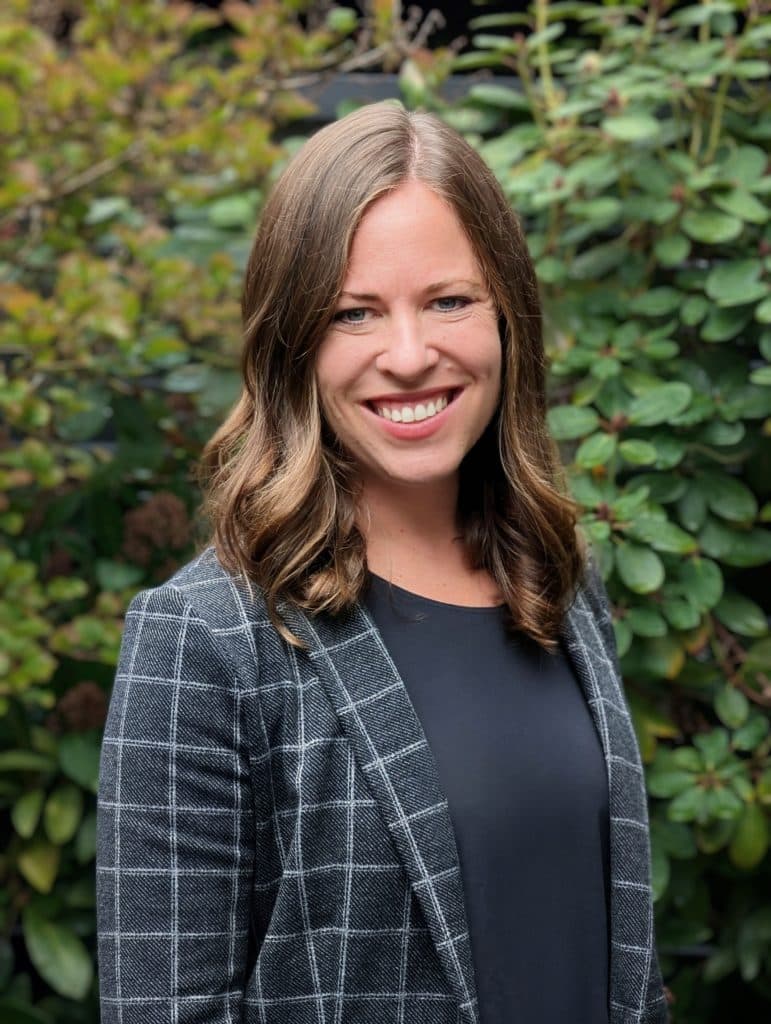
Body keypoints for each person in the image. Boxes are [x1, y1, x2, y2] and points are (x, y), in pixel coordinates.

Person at [96, 100, 668, 1024]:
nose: (410, 355)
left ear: (506, 315)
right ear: (292, 345)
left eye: (448, 300)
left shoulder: (559, 584)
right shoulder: (206, 639)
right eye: (353, 313)